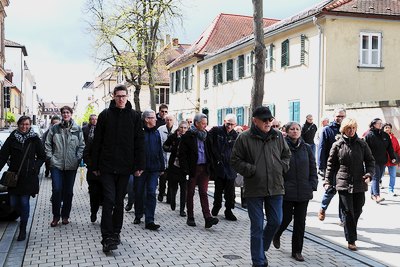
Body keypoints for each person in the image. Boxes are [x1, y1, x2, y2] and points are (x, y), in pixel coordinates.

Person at [231, 106, 291, 267]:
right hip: (254, 188)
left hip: (276, 187)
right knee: (257, 226)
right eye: (264, 120)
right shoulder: (244, 137)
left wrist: (282, 166)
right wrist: (251, 170)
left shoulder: (278, 136)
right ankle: (258, 261)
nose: (268, 122)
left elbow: (286, 154)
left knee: (276, 221)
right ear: (254, 120)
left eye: (270, 119)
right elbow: (235, 160)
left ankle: (261, 249)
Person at [91, 84, 145, 253]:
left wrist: (139, 165)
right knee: (108, 200)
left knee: (119, 202)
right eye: (118, 96)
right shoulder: (105, 115)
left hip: (125, 167)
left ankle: (116, 232)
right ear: (113, 97)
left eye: (124, 96)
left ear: (127, 97)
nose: (121, 99)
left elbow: (139, 143)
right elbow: (97, 142)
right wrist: (94, 165)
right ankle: (106, 236)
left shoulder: (135, 117)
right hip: (106, 166)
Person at [324, 118, 375, 251]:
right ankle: (351, 240)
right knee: (348, 211)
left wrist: (369, 174)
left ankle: (351, 229)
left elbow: (370, 161)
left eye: (353, 128)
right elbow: (330, 165)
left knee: (358, 209)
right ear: (344, 130)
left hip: (359, 181)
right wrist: (327, 181)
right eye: (348, 128)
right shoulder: (337, 145)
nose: (351, 131)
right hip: (343, 181)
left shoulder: (362, 144)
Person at [272, 122, 318, 262]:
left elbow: (312, 167)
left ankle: (297, 251)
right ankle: (277, 233)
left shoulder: (307, 148)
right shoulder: (281, 146)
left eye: (297, 129)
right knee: (285, 218)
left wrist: (312, 184)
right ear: (286, 131)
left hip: (304, 190)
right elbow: (276, 167)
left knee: (300, 222)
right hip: (286, 190)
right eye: (292, 129)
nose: (295, 131)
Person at [0, 116, 46, 241]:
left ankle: (23, 229)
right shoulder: (12, 138)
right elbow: (3, 156)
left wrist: (35, 167)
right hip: (14, 177)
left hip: (28, 177)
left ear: (30, 125)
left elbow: (42, 156)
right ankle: (22, 217)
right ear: (18, 124)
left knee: (24, 202)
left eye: (26, 124)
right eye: (22, 124)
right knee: (14, 203)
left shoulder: (34, 139)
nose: (24, 127)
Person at [45, 106, 84, 227]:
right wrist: (51, 158)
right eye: (64, 113)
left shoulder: (78, 129)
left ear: (71, 114)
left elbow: (82, 145)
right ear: (61, 114)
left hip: (71, 166)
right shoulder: (55, 128)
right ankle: (56, 216)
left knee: (68, 192)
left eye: (68, 112)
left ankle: (65, 216)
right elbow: (47, 144)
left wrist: (77, 158)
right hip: (56, 164)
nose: (66, 114)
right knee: (57, 190)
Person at [178, 113, 219, 228]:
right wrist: (185, 170)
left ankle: (208, 218)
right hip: (192, 168)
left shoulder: (207, 135)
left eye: (206, 123)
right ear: (196, 123)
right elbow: (182, 154)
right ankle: (190, 217)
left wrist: (212, 164)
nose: (205, 125)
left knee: (204, 193)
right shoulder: (188, 136)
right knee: (190, 193)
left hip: (204, 168)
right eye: (203, 123)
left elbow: (210, 151)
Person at [133, 109, 165, 230]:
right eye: (153, 117)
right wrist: (135, 167)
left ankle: (149, 220)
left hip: (154, 169)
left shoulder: (157, 133)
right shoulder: (138, 133)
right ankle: (138, 214)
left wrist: (162, 167)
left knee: (151, 193)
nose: (156, 119)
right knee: (139, 192)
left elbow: (159, 151)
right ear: (147, 119)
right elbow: (134, 152)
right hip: (141, 169)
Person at [317, 108, 346, 222]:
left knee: (344, 193)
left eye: (342, 116)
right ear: (334, 117)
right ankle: (323, 209)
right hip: (331, 167)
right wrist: (321, 167)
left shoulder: (348, 129)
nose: (340, 118)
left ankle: (342, 218)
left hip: (344, 167)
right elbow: (321, 149)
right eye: (338, 116)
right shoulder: (327, 130)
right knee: (331, 191)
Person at [209, 114, 238, 221]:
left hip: (230, 167)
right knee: (218, 189)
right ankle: (217, 205)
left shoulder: (236, 136)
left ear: (235, 124)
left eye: (232, 124)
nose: (229, 126)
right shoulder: (216, 131)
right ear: (224, 121)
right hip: (219, 166)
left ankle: (229, 210)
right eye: (228, 123)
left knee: (230, 193)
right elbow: (209, 143)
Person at [364, 118, 396, 203]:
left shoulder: (385, 135)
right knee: (376, 177)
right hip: (373, 161)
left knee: (378, 177)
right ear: (374, 124)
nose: (381, 125)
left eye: (381, 123)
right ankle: (377, 196)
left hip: (383, 160)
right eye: (379, 123)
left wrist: (393, 157)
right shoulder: (369, 135)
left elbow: (390, 148)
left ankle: (372, 194)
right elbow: (365, 150)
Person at [163, 120, 189, 216]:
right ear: (178, 128)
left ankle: (182, 209)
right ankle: (172, 200)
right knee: (173, 186)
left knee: (184, 189)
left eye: (185, 128)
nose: (183, 129)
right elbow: (165, 146)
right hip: (174, 166)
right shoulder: (173, 137)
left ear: (187, 129)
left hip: (184, 167)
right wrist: (171, 149)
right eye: (181, 127)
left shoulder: (189, 138)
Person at [82, 114, 102, 223]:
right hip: (93, 173)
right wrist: (92, 166)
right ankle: (93, 212)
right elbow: (86, 153)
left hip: (106, 172)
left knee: (106, 196)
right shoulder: (92, 138)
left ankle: (106, 218)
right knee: (94, 195)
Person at [157, 114, 177, 203]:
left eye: (171, 120)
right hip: (162, 156)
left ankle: (169, 198)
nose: (169, 122)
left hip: (172, 159)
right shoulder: (160, 129)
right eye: (167, 120)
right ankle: (161, 193)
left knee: (171, 180)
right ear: (165, 121)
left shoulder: (177, 130)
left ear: (174, 121)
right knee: (162, 178)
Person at [382, 123, 400, 196]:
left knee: (393, 175)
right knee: (380, 174)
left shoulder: (394, 139)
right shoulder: (379, 137)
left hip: (392, 160)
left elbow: (398, 149)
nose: (387, 129)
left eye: (389, 127)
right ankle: (378, 185)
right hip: (382, 159)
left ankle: (391, 189)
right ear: (383, 129)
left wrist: (398, 159)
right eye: (386, 127)